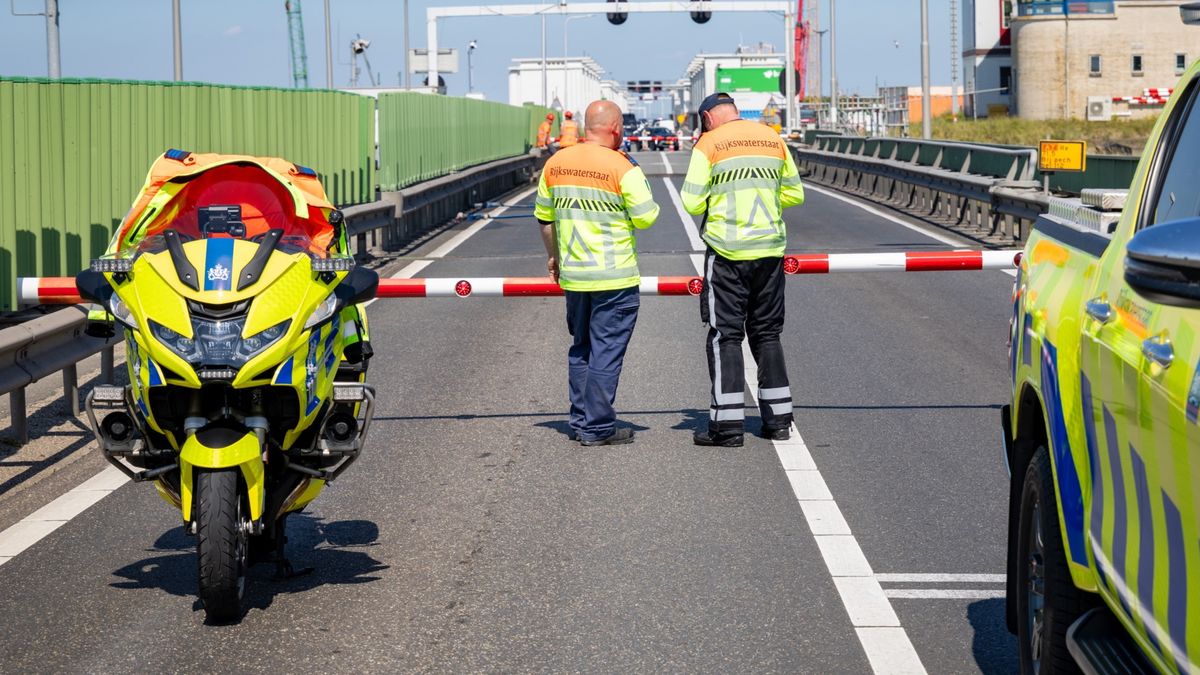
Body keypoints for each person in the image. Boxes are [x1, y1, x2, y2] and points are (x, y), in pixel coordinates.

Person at [680, 92, 806, 447]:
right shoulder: (771, 138)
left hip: (728, 252)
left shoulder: (709, 144)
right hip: (769, 251)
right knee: (767, 334)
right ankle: (779, 421)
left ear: (707, 118)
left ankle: (727, 427)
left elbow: (690, 201)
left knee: (726, 336)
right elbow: (794, 195)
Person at [534, 100, 660, 446]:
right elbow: (647, 217)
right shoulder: (622, 167)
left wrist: (554, 258)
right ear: (616, 129)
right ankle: (598, 427)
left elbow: (545, 219)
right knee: (606, 351)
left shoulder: (556, 163)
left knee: (582, 349)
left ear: (584, 126)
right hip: (614, 276)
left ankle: (580, 419)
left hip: (574, 276)